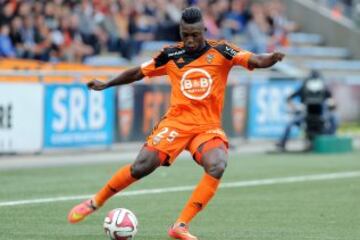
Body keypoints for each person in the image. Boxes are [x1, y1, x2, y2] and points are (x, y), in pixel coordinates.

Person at [67, 7, 284, 240]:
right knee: (141, 166)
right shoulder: (170, 55)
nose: (190, 40)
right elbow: (138, 72)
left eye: (195, 35)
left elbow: (254, 59)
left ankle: (180, 225)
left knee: (217, 165)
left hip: (206, 127)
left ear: (204, 31)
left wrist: (269, 59)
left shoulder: (222, 50)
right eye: (185, 34)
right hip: (176, 124)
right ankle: (95, 201)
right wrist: (107, 84)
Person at [276, 70, 337, 151]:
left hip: (321, 115)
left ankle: (329, 142)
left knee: (334, 119)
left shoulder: (323, 88)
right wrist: (297, 108)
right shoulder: (304, 88)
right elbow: (289, 98)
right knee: (290, 123)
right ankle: (282, 144)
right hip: (305, 115)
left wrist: (330, 105)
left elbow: (331, 101)